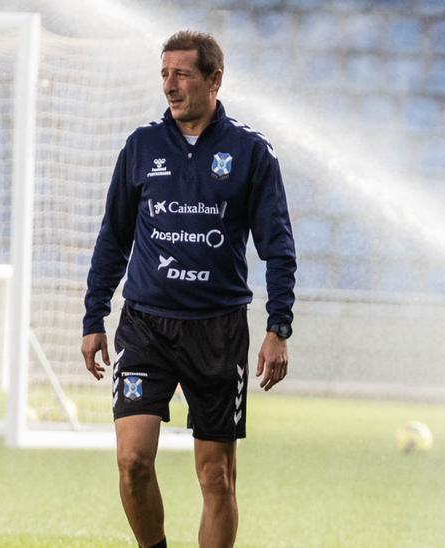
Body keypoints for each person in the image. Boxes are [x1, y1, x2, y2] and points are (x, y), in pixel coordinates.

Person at [81, 30, 297, 548]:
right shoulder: (141, 147)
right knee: (132, 460)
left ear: (213, 79)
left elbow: (279, 246)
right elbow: (112, 238)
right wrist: (94, 318)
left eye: (181, 74)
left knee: (215, 477)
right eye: (164, 74)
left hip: (217, 330)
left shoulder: (251, 152)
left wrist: (278, 327)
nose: (170, 86)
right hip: (145, 325)